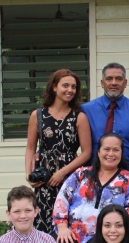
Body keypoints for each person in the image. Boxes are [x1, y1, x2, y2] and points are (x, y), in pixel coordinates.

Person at [25, 69, 92, 234]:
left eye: (74, 87)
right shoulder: (37, 115)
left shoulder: (79, 117)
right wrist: (29, 174)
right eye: (65, 85)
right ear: (54, 87)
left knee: (68, 221)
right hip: (45, 178)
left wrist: (62, 173)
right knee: (42, 221)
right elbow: (30, 148)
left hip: (69, 177)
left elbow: (86, 152)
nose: (70, 90)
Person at [81, 62, 129, 187]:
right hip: (93, 175)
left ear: (125, 83)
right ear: (102, 83)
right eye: (109, 79)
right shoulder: (85, 111)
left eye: (118, 79)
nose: (114, 82)